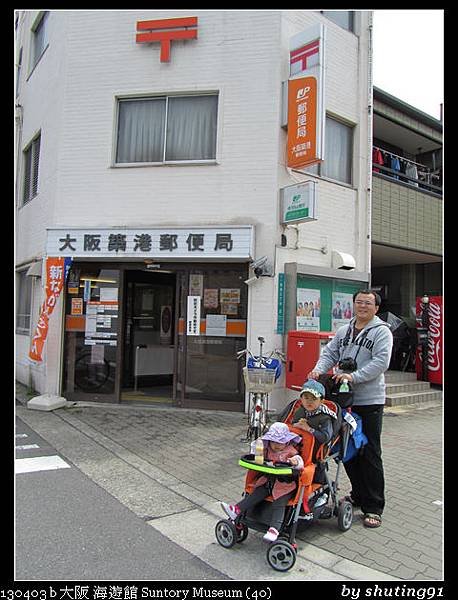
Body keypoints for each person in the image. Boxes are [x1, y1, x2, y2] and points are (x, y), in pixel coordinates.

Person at [308, 289, 393, 528]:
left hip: (369, 401)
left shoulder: (381, 332)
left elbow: (381, 362)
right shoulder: (345, 330)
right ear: (353, 305)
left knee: (370, 451)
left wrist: (352, 377)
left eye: (368, 303)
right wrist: (318, 369)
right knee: (347, 450)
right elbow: (330, 353)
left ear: (376, 308)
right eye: (359, 302)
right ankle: (358, 494)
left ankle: (374, 506)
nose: (362, 306)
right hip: (343, 402)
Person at [220, 422, 304, 542]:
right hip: (267, 481)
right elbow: (256, 454)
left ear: (286, 442)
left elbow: (300, 462)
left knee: (279, 503)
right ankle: (236, 510)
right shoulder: (267, 449)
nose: (275, 445)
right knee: (255, 494)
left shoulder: (291, 451)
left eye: (279, 442)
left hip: (285, 485)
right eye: (273, 441)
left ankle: (274, 529)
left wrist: (295, 462)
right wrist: (260, 443)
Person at [278, 379, 339, 484]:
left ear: (321, 401)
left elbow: (326, 437)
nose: (309, 401)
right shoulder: (299, 411)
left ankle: (323, 484)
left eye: (314, 398)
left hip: (315, 451)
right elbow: (291, 426)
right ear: (301, 398)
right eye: (306, 398)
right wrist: (295, 427)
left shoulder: (325, 417)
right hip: (297, 447)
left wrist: (310, 430)